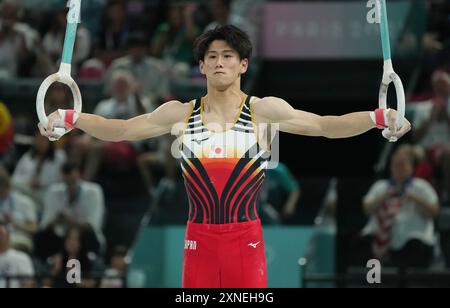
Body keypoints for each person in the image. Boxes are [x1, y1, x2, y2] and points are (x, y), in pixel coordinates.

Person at [39, 25, 411, 288]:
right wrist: (72, 117)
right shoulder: (179, 113)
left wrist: (378, 117)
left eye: (228, 56)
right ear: (200, 66)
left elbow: (325, 125)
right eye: (212, 56)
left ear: (243, 65)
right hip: (198, 238)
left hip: (245, 239)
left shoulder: (264, 110)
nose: (219, 62)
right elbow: (119, 129)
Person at [359, 145, 439, 269]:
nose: (398, 168)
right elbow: (366, 209)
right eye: (395, 164)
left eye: (403, 165)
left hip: (413, 242)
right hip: (380, 241)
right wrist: (384, 196)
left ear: (411, 168)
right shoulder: (381, 186)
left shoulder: (421, 187)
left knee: (414, 249)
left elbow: (434, 211)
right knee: (362, 244)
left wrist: (414, 198)